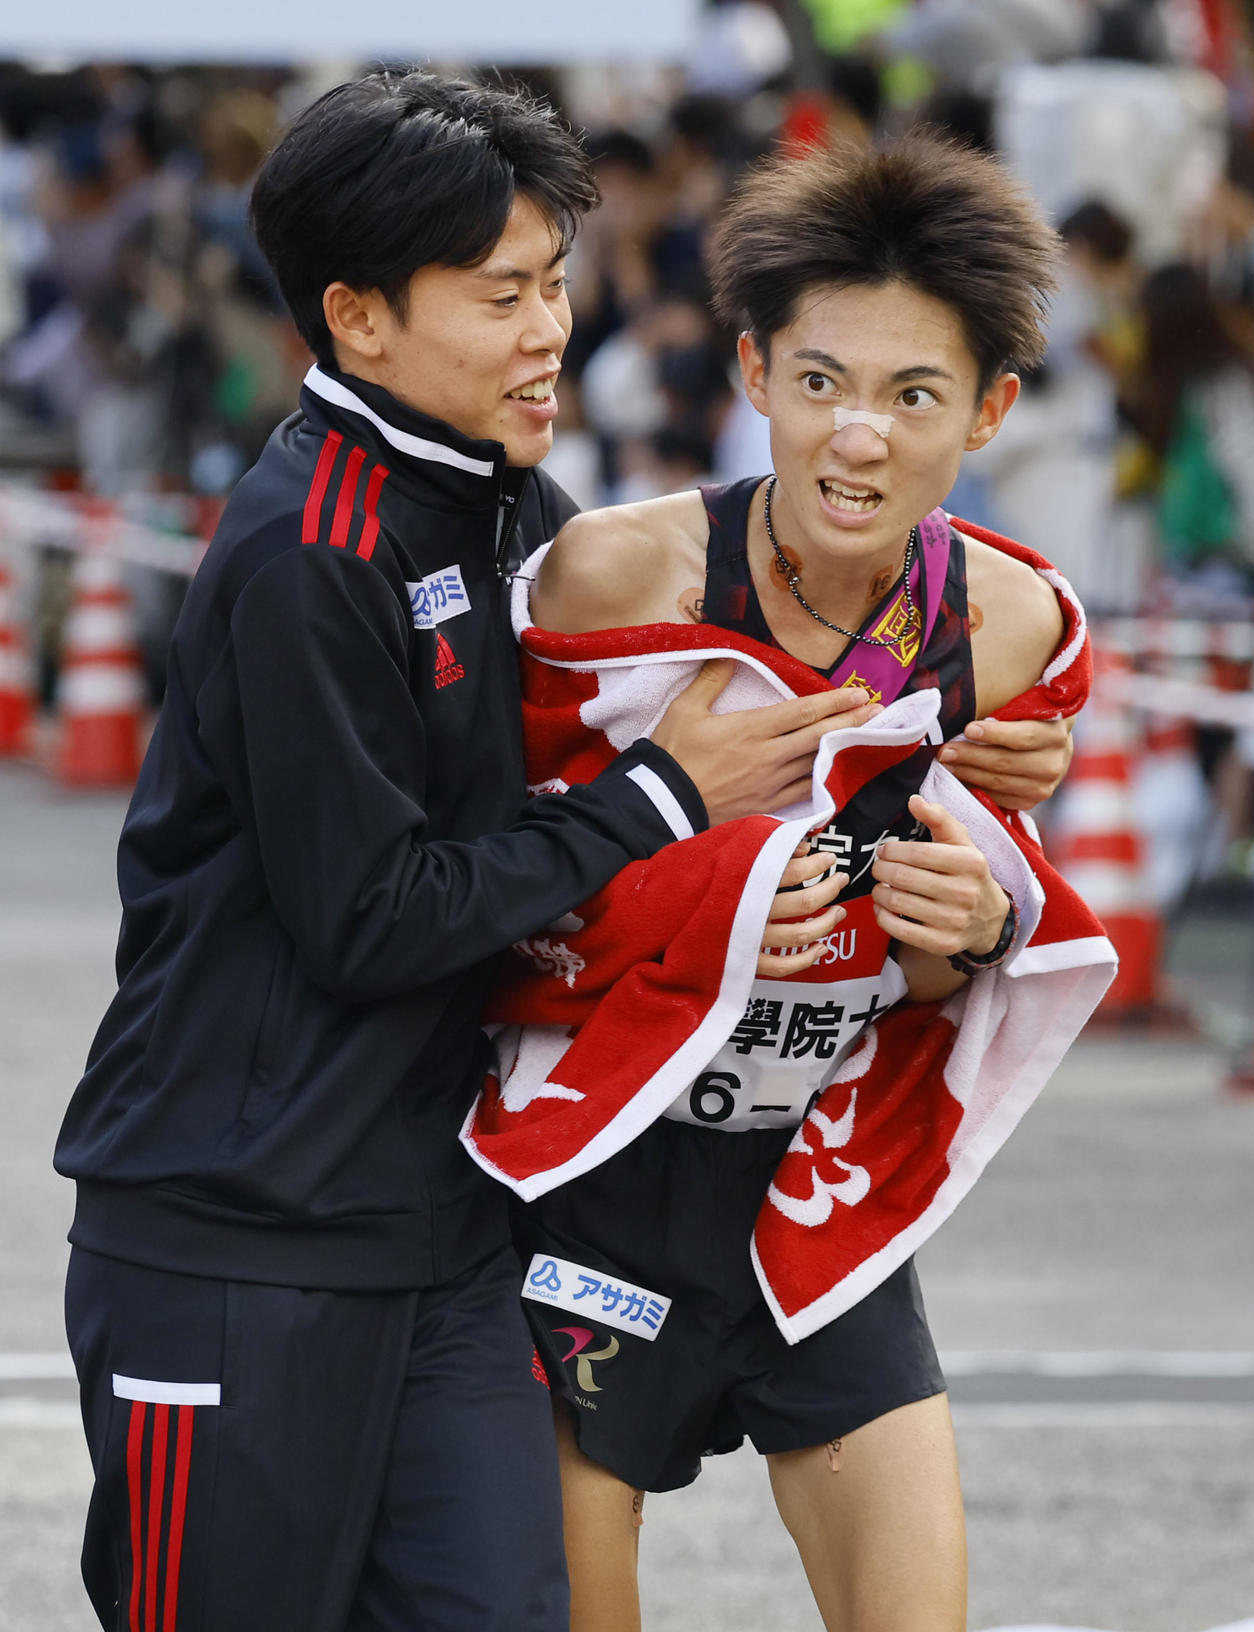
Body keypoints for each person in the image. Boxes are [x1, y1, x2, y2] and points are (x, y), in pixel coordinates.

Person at [52, 72, 905, 1632]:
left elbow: (714, 677)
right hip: (239, 1238)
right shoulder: (309, 550)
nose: (547, 330)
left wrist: (964, 727)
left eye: (557, 283)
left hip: (442, 1237)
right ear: (357, 318)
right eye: (501, 293)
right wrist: (660, 802)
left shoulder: (513, 508)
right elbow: (370, 918)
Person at [504, 133, 1090, 1632]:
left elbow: (979, 904)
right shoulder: (610, 581)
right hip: (588, 1184)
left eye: (916, 397)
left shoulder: (1010, 626)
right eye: (823, 384)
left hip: (819, 1176)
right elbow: (483, 893)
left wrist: (973, 932)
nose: (859, 440)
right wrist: (698, 895)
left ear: (992, 410)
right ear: (755, 372)